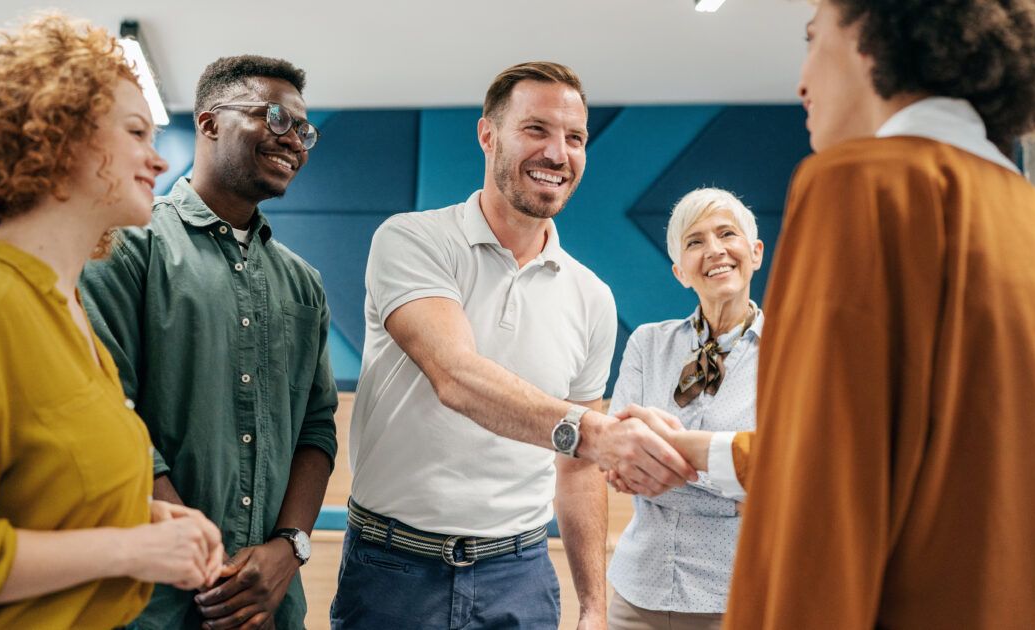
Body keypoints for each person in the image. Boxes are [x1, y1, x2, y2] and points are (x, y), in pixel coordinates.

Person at [719, 1, 1035, 628]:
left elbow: (816, 506)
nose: (802, 79)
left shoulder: (862, 186)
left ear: (869, 30)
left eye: (813, 38)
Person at [330, 61, 695, 629]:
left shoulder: (592, 297)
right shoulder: (412, 240)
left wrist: (594, 606)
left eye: (575, 138)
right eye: (536, 129)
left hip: (518, 578)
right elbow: (456, 374)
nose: (558, 152)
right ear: (487, 134)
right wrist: (597, 433)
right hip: (392, 570)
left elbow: (575, 471)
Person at [0, 13, 224, 629]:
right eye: (136, 132)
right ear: (54, 139)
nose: (159, 162)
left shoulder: (65, 310)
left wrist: (145, 520)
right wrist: (132, 548)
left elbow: (40, 497)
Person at [79, 55, 338, 630]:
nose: (292, 139)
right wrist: (215, 571)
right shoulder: (124, 245)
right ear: (209, 122)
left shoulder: (304, 282)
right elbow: (104, 413)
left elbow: (317, 427)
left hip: (268, 604)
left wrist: (287, 551)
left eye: (302, 128)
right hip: (151, 603)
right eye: (273, 117)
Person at [604, 188, 762, 630]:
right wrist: (732, 482)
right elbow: (619, 462)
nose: (713, 250)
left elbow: (785, 474)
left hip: (737, 596)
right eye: (694, 242)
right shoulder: (647, 342)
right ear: (679, 271)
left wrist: (666, 454)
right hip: (638, 592)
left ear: (755, 252)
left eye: (726, 234)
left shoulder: (794, 351)